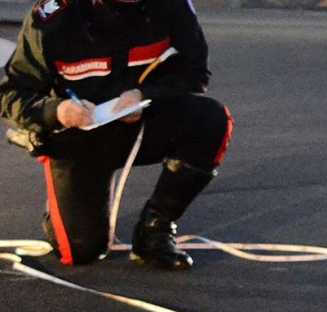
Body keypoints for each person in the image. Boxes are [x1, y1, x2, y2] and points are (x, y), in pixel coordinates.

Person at [0, 0, 233, 269]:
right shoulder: (53, 18)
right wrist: (58, 110)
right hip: (77, 134)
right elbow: (11, 94)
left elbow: (195, 72)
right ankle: (55, 182)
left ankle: (155, 229)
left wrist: (146, 95)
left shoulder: (172, 5)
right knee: (81, 252)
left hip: (141, 120)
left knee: (211, 120)